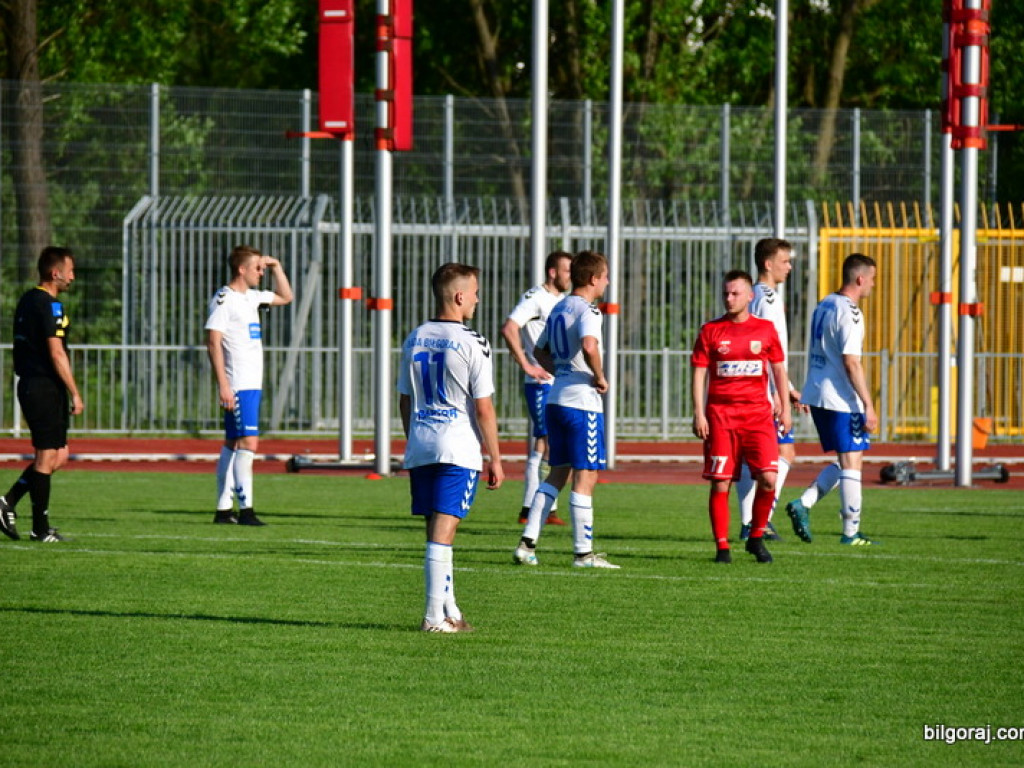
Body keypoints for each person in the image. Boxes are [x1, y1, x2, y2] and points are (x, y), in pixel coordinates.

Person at [398, 262, 504, 633]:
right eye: (474, 292)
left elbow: (405, 400)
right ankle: (432, 619)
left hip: (421, 442)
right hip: (457, 446)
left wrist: (413, 438)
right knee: (444, 531)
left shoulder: (415, 337)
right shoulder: (473, 341)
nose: (477, 299)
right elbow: (484, 408)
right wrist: (495, 457)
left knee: (436, 531)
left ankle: (450, 611)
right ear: (459, 296)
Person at [513, 250, 619, 569]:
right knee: (586, 475)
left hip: (556, 399)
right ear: (592, 279)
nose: (608, 282)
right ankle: (583, 554)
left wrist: (559, 371)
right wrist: (598, 377)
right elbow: (589, 345)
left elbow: (538, 349)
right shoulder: (588, 310)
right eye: (605, 276)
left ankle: (527, 543)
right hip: (581, 404)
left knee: (558, 472)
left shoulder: (558, 307)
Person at [692, 269, 791, 564]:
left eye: (735, 293)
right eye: (726, 293)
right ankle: (722, 547)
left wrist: (785, 408)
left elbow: (779, 371)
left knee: (769, 479)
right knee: (721, 483)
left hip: (759, 418)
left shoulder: (765, 330)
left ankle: (757, 537)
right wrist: (699, 413)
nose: (729, 298)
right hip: (721, 417)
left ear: (750, 296)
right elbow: (698, 374)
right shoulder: (710, 331)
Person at [785, 253, 879, 546]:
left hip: (817, 393)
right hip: (840, 398)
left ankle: (804, 503)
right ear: (860, 279)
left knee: (846, 460)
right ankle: (851, 533)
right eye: (873, 279)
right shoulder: (851, 312)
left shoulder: (825, 302)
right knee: (852, 464)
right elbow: (851, 362)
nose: (873, 285)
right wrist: (868, 404)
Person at [0, 246, 84, 543]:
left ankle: (8, 501)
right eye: (70, 271)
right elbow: (56, 351)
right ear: (55, 272)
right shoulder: (50, 305)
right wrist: (75, 392)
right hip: (43, 386)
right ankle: (40, 528)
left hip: (34, 384)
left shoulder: (27, 300)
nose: (73, 277)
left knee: (58, 456)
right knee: (47, 456)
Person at [205, 244, 293, 526]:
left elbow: (286, 297)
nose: (261, 272)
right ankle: (246, 510)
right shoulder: (225, 298)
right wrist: (223, 385)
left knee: (233, 442)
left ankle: (222, 510)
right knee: (249, 443)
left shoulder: (252, 298)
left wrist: (276, 265)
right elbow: (213, 341)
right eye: (257, 267)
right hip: (238, 384)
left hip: (251, 384)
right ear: (241, 269)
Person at [734, 238, 806, 541]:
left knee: (758, 456)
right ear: (768, 264)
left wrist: (787, 386)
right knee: (781, 451)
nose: (789, 267)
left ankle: (753, 520)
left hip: (761, 385)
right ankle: (757, 521)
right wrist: (779, 391)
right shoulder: (768, 298)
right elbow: (762, 347)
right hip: (763, 389)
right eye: (785, 261)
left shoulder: (757, 296)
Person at [500, 250, 573, 526]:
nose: (570, 276)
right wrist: (527, 365)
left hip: (556, 381)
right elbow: (509, 327)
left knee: (544, 444)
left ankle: (534, 506)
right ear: (553, 272)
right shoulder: (535, 297)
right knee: (548, 443)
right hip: (540, 383)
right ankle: (535, 509)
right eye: (567, 271)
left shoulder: (562, 300)